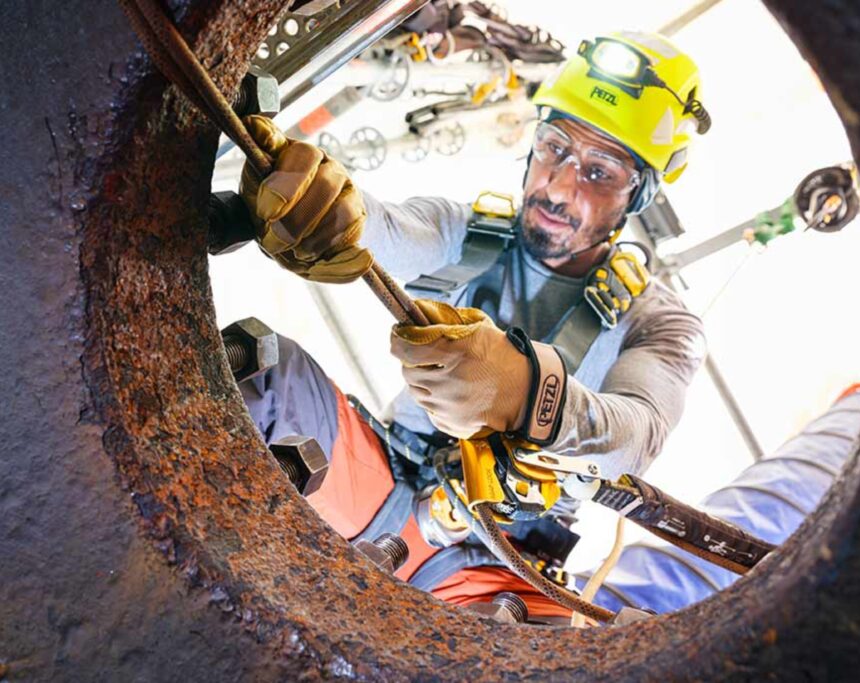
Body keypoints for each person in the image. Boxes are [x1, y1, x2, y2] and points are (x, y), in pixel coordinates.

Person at [237, 31, 710, 620]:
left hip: (494, 567)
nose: (560, 185)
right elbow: (386, 231)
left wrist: (530, 396)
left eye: (600, 172)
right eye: (554, 147)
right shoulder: (467, 234)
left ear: (637, 196)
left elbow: (635, 435)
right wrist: (327, 209)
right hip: (383, 477)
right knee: (258, 371)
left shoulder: (660, 323)